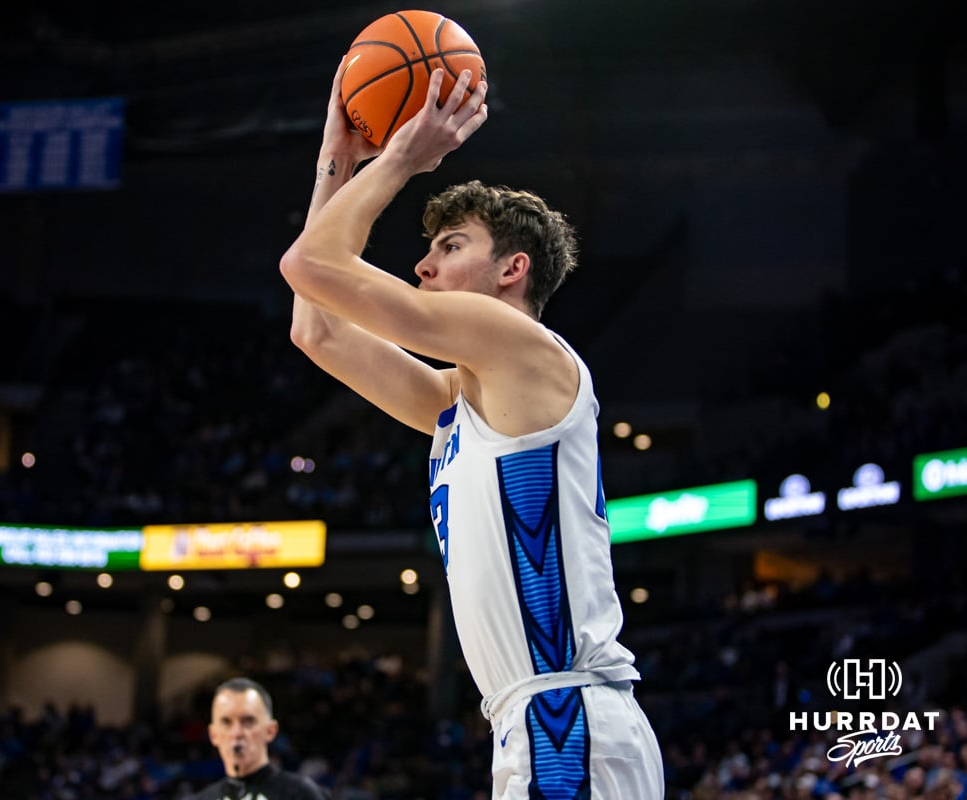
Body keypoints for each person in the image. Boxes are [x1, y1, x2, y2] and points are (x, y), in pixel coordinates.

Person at [279, 59, 664, 799]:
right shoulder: (465, 403)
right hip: (540, 720)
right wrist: (338, 161)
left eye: (450, 246)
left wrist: (398, 160)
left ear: (513, 269)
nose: (423, 266)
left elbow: (310, 263)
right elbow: (315, 330)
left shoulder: (521, 347)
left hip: (567, 716)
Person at [190, 677, 329, 800]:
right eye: (226, 722)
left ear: (270, 731)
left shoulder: (301, 794)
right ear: (213, 735)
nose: (237, 733)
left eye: (248, 721)